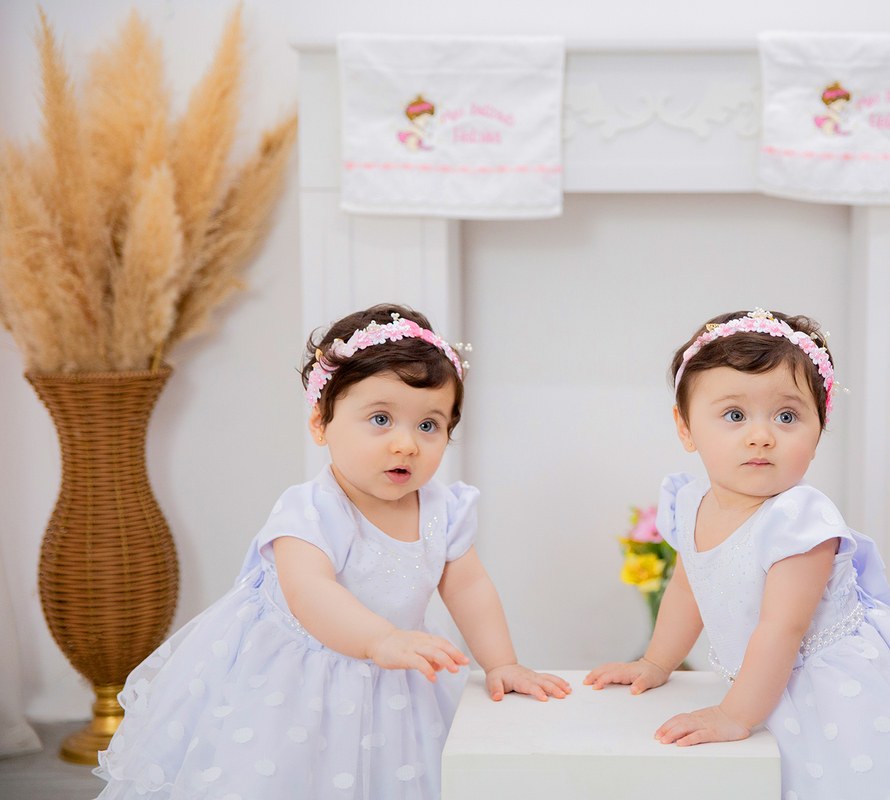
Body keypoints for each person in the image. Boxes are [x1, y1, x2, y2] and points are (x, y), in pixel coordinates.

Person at [585, 308, 890, 800]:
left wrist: (734, 714)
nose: (761, 435)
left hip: (826, 687)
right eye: (734, 415)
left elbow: (782, 629)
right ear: (685, 428)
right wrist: (657, 662)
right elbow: (689, 587)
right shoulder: (689, 505)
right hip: (764, 675)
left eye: (787, 416)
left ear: (818, 430)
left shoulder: (799, 522)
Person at [95, 304, 569, 800]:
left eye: (428, 425)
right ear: (320, 423)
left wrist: (500, 663)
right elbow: (309, 590)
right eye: (381, 419)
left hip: (396, 670)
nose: (406, 444)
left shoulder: (442, 509)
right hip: (297, 681)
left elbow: (469, 586)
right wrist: (379, 640)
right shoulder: (312, 510)